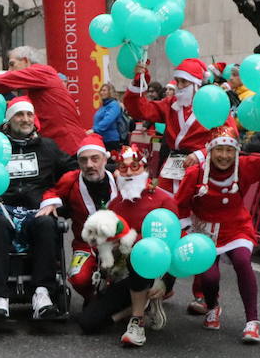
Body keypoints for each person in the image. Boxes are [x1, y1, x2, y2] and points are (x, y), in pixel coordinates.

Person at [175, 127, 260, 343]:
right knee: (210, 277)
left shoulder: (245, 167)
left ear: (236, 152)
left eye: (229, 151)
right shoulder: (196, 173)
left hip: (236, 227)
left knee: (242, 261)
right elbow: (180, 206)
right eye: (219, 150)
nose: (224, 156)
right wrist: (186, 232)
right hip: (205, 232)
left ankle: (252, 322)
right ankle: (212, 306)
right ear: (210, 151)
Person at [72, 143, 183, 346]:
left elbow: (175, 243)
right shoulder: (115, 204)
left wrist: (166, 281)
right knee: (88, 322)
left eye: (134, 167)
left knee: (139, 252)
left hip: (153, 273)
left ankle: (137, 322)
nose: (129, 172)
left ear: (145, 169)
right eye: (123, 168)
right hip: (123, 275)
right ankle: (137, 308)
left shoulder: (164, 201)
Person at [0, 96, 74, 320]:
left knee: (47, 223)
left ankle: (42, 294)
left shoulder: (47, 147)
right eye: (20, 115)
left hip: (36, 210)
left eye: (29, 114)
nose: (26, 119)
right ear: (9, 120)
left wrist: (104, 163)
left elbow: (72, 169)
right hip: (3, 209)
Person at [123, 58, 224, 194]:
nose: (179, 86)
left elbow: (229, 136)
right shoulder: (171, 104)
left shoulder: (213, 103)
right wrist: (138, 81)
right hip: (172, 167)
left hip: (201, 167)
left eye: (184, 82)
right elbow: (139, 110)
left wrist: (200, 154)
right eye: (177, 81)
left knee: (195, 206)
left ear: (196, 84)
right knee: (163, 205)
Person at [38, 134, 117, 298]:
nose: (89, 165)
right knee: (78, 278)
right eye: (83, 160)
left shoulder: (119, 177)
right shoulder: (71, 179)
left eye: (95, 159)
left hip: (117, 242)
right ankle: (93, 298)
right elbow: (52, 191)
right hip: (86, 244)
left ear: (105, 159)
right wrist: (51, 202)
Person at [0, 46, 87, 154]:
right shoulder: (41, 78)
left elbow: (1, 82)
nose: (9, 70)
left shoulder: (41, 71)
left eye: (12, 64)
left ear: (25, 61)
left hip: (68, 146)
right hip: (63, 144)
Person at [92, 83, 129, 152]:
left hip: (110, 140)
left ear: (110, 92)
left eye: (104, 90)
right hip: (101, 139)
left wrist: (94, 130)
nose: (101, 92)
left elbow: (108, 120)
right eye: (101, 90)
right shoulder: (104, 106)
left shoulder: (114, 105)